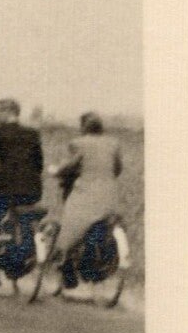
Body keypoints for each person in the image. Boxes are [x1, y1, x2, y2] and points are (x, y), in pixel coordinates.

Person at [46, 111, 130, 295]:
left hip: (86, 195)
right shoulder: (113, 143)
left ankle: (64, 264)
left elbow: (70, 166)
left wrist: (55, 171)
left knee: (69, 225)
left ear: (83, 128)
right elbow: (117, 169)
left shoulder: (79, 144)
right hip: (109, 195)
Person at [0, 97, 45, 292]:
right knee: (24, 222)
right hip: (31, 190)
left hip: (4, 190)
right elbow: (39, 164)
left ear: (6, 112)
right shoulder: (33, 134)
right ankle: (19, 258)